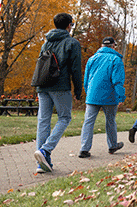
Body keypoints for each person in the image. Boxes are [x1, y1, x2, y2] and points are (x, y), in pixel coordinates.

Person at [34, 13, 83, 173]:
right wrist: (78, 89)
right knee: (64, 117)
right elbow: (75, 69)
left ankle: (42, 163)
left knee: (43, 120)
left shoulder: (46, 42)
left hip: (43, 85)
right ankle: (45, 150)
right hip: (60, 86)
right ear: (69, 25)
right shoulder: (72, 43)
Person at [78, 37, 126, 158]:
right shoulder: (116, 59)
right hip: (109, 95)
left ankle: (84, 149)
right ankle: (112, 145)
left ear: (102, 45)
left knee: (88, 122)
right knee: (110, 121)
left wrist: (88, 92)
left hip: (92, 95)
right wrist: (121, 96)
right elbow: (117, 81)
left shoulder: (92, 59)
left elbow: (86, 80)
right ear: (113, 46)